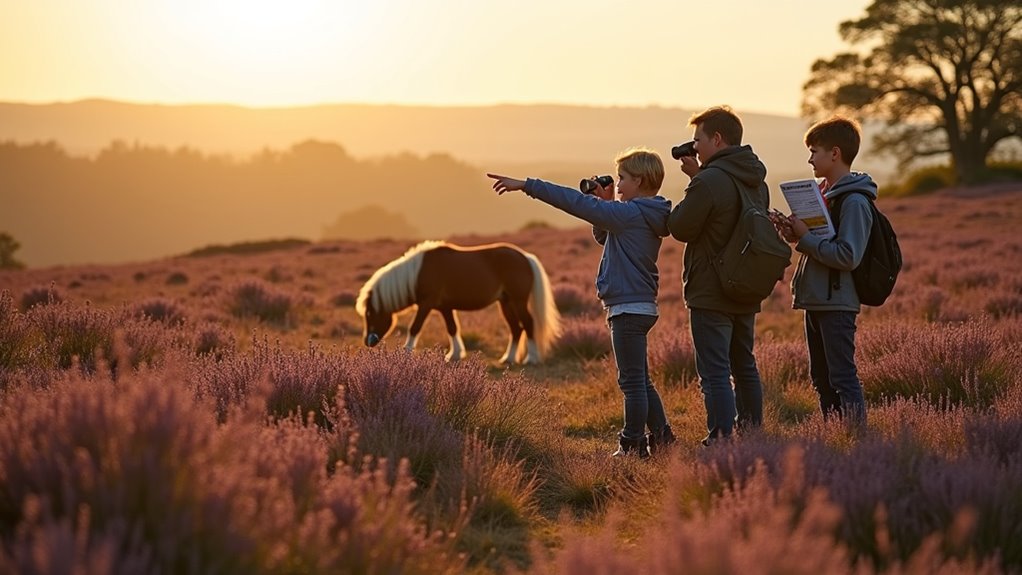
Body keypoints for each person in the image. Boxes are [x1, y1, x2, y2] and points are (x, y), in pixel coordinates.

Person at [487, 147, 676, 458]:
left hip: (627, 309)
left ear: (640, 180)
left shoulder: (628, 214)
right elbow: (605, 237)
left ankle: (632, 445)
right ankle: (663, 438)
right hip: (639, 305)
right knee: (640, 379)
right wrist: (607, 206)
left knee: (631, 383)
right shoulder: (644, 214)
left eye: (622, 178)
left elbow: (574, 203)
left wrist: (528, 186)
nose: (617, 183)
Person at [666, 105, 767, 445]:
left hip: (711, 288)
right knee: (745, 365)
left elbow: (680, 226)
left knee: (714, 372)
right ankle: (752, 434)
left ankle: (721, 439)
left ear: (718, 139)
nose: (694, 147)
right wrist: (700, 176)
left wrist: (696, 183)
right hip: (746, 284)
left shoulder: (709, 181)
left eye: (698, 140)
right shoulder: (755, 180)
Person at [772, 115, 873, 427]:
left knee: (842, 376)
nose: (810, 158)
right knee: (821, 377)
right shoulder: (823, 195)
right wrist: (793, 233)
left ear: (835, 154)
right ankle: (834, 437)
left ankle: (856, 438)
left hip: (837, 301)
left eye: (815, 151)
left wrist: (805, 238)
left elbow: (848, 256)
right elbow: (819, 243)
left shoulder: (854, 201)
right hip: (816, 297)